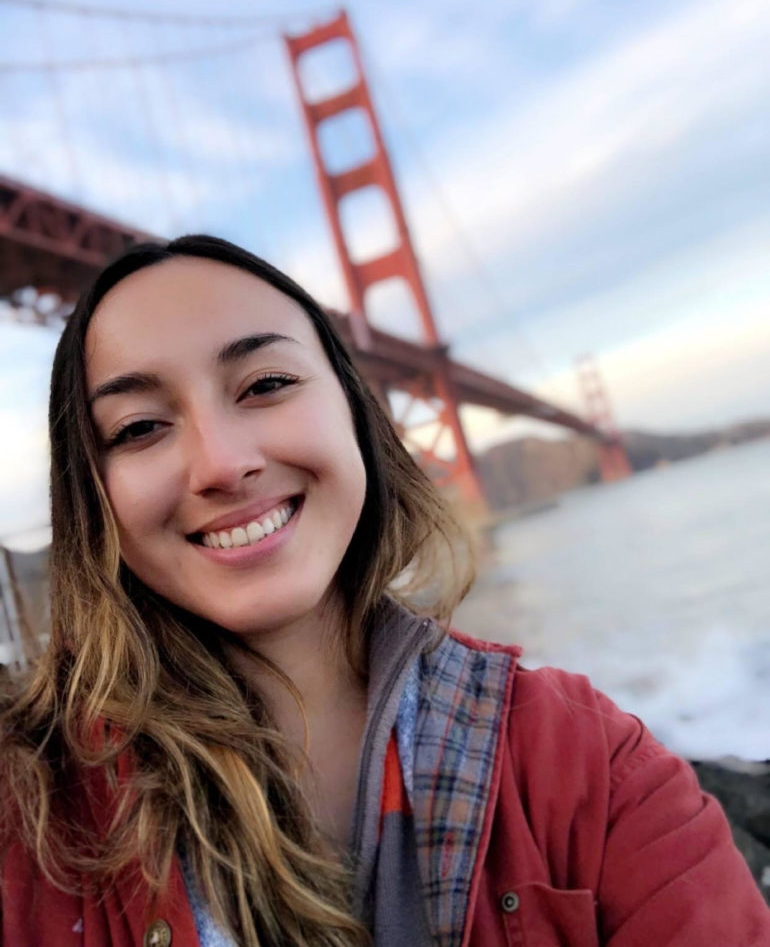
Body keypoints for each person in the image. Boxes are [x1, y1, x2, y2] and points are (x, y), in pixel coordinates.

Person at [0, 234, 767, 947]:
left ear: (356, 410)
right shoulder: (21, 812)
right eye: (138, 428)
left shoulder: (595, 765)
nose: (223, 464)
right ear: (90, 496)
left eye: (267, 384)